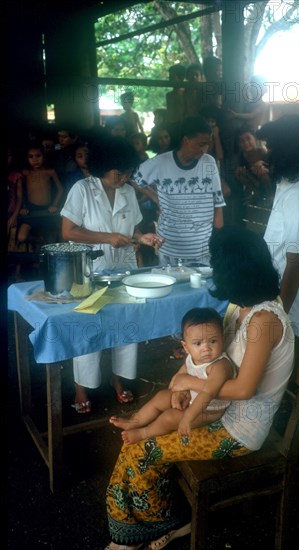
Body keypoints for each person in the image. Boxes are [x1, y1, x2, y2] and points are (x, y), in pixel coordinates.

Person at [105, 225, 295, 550]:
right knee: (140, 439)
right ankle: (150, 520)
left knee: (143, 450)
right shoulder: (242, 307)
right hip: (215, 410)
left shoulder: (264, 320)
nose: (215, 275)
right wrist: (179, 383)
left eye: (219, 268)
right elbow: (206, 356)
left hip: (238, 430)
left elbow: (243, 389)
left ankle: (149, 528)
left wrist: (187, 382)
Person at [61, 136, 164, 414]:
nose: (124, 178)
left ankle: (116, 378)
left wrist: (144, 238)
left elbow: (133, 231)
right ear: (101, 167)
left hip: (123, 270)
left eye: (128, 173)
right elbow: (68, 231)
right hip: (89, 271)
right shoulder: (82, 189)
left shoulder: (128, 191)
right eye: (118, 173)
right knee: (89, 327)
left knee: (124, 325)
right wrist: (107, 238)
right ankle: (81, 386)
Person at [109, 307, 235, 445]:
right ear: (186, 347)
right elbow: (184, 369)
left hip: (208, 410)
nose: (206, 348)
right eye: (198, 343)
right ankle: (133, 422)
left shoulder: (220, 366)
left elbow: (208, 393)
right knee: (161, 397)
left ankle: (143, 432)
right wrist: (175, 387)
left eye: (213, 341)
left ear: (222, 339)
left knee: (169, 418)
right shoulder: (193, 356)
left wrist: (187, 418)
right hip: (191, 397)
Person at [257, 114, 299, 338]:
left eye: (271, 148)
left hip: (286, 303)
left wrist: (279, 315)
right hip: (274, 292)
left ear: (286, 151)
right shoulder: (289, 181)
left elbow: (296, 262)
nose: (267, 155)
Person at [134, 115, 225, 267]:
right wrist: (155, 197)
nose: (205, 150)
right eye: (201, 144)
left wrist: (219, 240)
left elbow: (218, 204)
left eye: (207, 145)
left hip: (203, 251)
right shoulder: (160, 162)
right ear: (186, 140)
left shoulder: (209, 162)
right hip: (170, 249)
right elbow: (133, 179)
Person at [17, 143, 63, 249]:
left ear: (44, 156)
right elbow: (21, 192)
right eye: (31, 157)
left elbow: (60, 189)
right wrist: (23, 207)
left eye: (38, 156)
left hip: (48, 209)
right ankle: (38, 240)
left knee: (52, 238)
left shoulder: (50, 172)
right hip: (31, 211)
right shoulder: (25, 173)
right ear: (26, 158)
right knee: (21, 237)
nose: (35, 159)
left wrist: (54, 205)